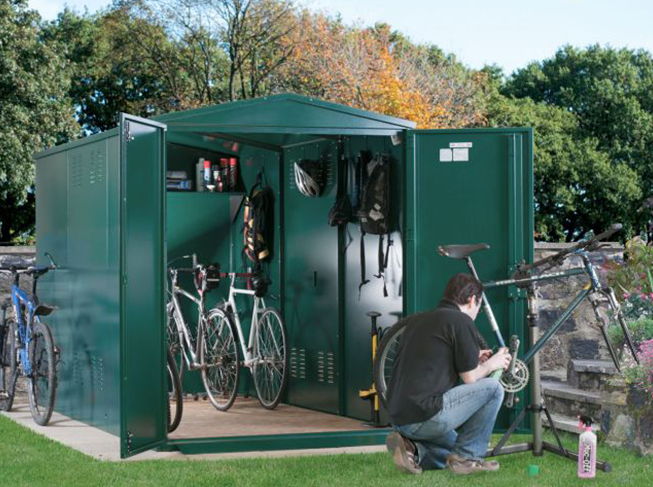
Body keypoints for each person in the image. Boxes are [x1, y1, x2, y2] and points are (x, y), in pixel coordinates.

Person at [385, 273, 511, 475]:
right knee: (494, 389)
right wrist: (493, 363)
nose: (477, 312)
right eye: (478, 306)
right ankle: (467, 459)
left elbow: (433, 358)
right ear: (472, 300)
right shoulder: (461, 320)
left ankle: (412, 450)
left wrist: (473, 356)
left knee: (454, 447)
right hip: (424, 415)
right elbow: (469, 378)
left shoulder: (419, 320)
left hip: (400, 418)